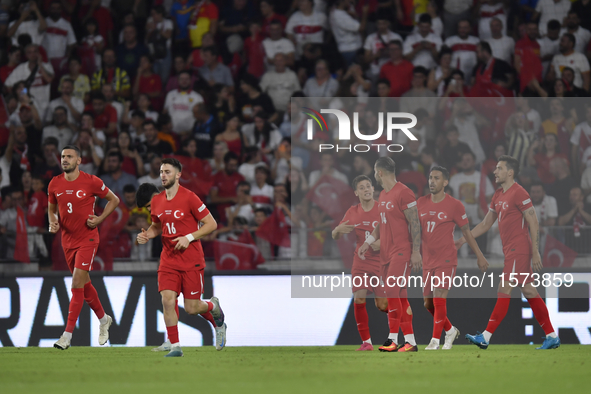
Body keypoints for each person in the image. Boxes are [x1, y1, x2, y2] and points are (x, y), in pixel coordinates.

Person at [457, 155, 560, 350]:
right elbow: (487, 223)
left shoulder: (519, 192)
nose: (495, 171)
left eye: (499, 168)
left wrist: (535, 252)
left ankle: (486, 336)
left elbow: (533, 221)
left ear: (510, 172)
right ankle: (551, 335)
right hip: (511, 251)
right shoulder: (498, 195)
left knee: (504, 289)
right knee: (529, 291)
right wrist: (464, 239)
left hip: (518, 249)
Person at [137, 158, 227, 356]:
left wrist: (188, 237)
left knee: (192, 308)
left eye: (168, 172)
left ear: (178, 175)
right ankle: (176, 346)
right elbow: (157, 225)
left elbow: (211, 224)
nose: (163, 175)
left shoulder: (190, 198)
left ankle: (213, 307)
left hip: (191, 260)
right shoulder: (158, 200)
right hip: (168, 260)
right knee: (167, 300)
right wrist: (147, 235)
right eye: (161, 172)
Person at [49, 144, 120, 350]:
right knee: (84, 285)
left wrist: (99, 219)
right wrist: (52, 221)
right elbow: (51, 209)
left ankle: (67, 335)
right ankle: (104, 319)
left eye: (70, 156)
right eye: (63, 156)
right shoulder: (54, 184)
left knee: (76, 284)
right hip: (67, 241)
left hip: (88, 239)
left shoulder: (91, 182)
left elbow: (114, 200)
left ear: (79, 160)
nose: (65, 160)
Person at [418, 166, 488, 350]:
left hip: (447, 258)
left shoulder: (455, 205)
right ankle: (449, 330)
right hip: (427, 260)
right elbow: (413, 231)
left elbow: (467, 232)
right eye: (430, 177)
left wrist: (479, 256)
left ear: (445, 182)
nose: (432, 181)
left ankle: (435, 340)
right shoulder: (420, 203)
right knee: (428, 303)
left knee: (440, 297)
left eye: (437, 178)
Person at [358, 157, 422, 353]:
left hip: (401, 252)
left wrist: (416, 251)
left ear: (379, 173)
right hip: (386, 253)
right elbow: (381, 223)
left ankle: (392, 339)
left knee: (392, 291)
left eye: (375, 173)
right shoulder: (384, 195)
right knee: (400, 296)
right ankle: (410, 341)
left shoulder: (404, 193)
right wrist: (367, 242)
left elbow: (415, 223)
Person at [332, 175, 387, 351]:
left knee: (382, 305)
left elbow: (398, 236)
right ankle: (367, 343)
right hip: (361, 262)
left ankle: (404, 322)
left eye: (368, 186)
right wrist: (337, 230)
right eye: (362, 187)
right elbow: (336, 235)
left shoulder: (383, 209)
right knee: (359, 298)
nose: (366, 189)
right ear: (356, 192)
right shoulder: (352, 212)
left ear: (373, 189)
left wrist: (382, 244)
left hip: (381, 263)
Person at [163, 70, 204, 136]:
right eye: (182, 79)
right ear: (178, 80)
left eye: (186, 79)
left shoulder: (198, 97)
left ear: (190, 80)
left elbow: (201, 116)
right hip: (172, 133)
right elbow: (165, 112)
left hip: (190, 134)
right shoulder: (170, 95)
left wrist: (191, 132)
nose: (184, 81)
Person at [210, 152, 245, 224]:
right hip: (221, 215)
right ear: (225, 163)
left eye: (235, 165)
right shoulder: (216, 177)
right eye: (231, 165)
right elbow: (213, 199)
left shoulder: (240, 177)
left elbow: (245, 195)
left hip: (237, 215)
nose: (233, 168)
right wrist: (231, 199)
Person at [444, 19, 479, 84]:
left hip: (472, 75)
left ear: (470, 28)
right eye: (460, 27)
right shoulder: (449, 41)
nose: (462, 30)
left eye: (465, 28)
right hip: (455, 75)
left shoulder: (476, 41)